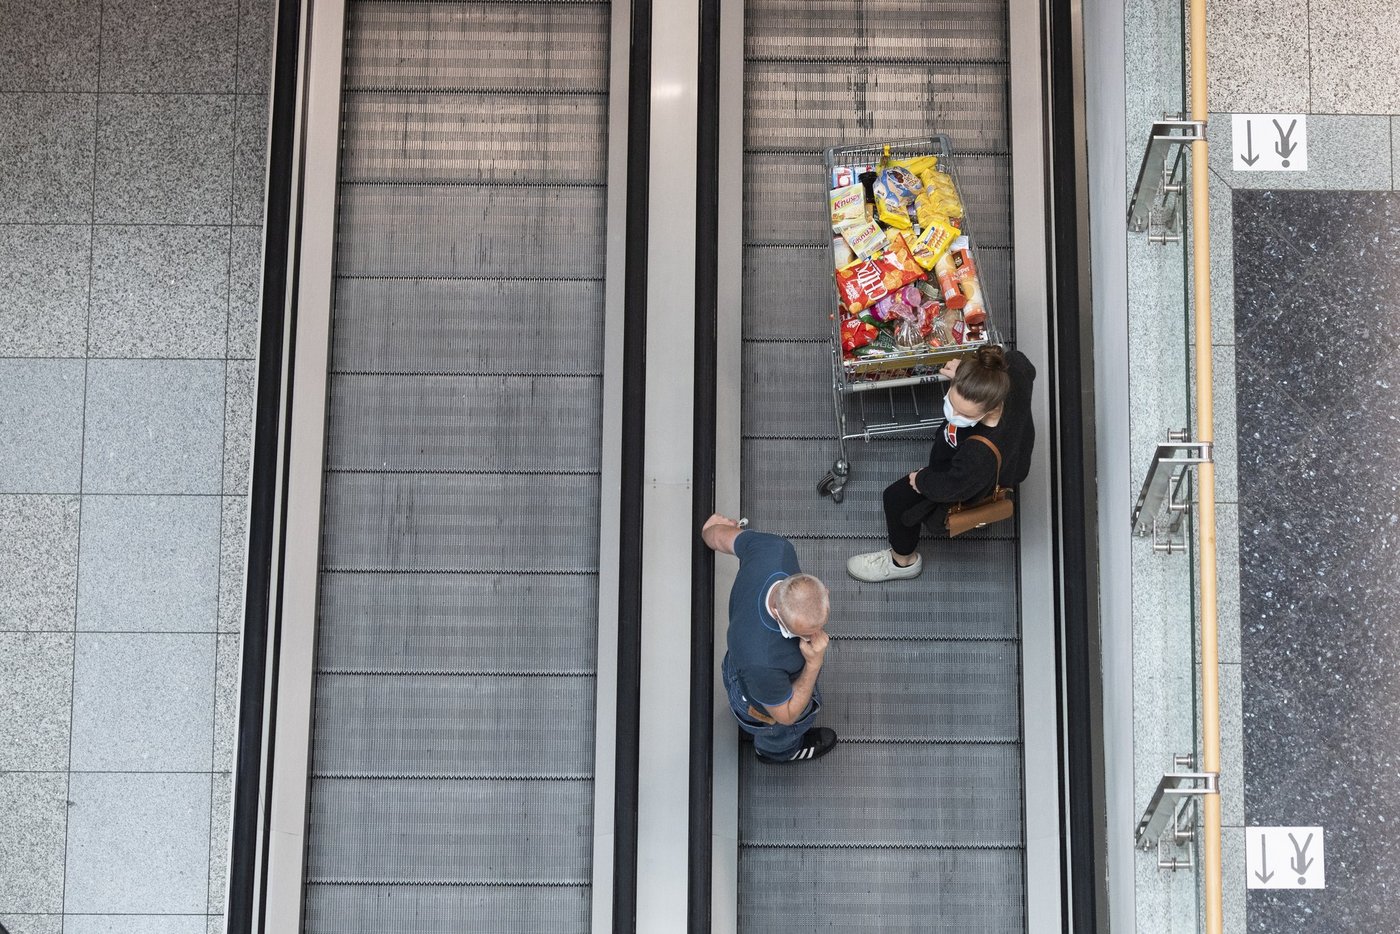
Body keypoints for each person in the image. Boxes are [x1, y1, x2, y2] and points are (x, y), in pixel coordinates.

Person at [847, 344, 1035, 582]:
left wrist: (921, 480)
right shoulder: (1013, 371)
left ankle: (902, 562)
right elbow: (1023, 363)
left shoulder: (978, 454)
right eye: (952, 402)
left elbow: (952, 486)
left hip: (967, 475)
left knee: (896, 499)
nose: (953, 415)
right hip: (1011, 463)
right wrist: (971, 377)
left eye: (965, 414)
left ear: (990, 408)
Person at [701, 514, 839, 763]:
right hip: (760, 698)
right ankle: (777, 752)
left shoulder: (774, 549)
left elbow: (719, 538)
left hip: (738, 660)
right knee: (780, 729)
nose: (817, 637)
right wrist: (813, 664)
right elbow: (786, 715)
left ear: (824, 592)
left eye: (819, 627)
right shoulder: (762, 660)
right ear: (776, 612)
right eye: (805, 633)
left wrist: (709, 531)